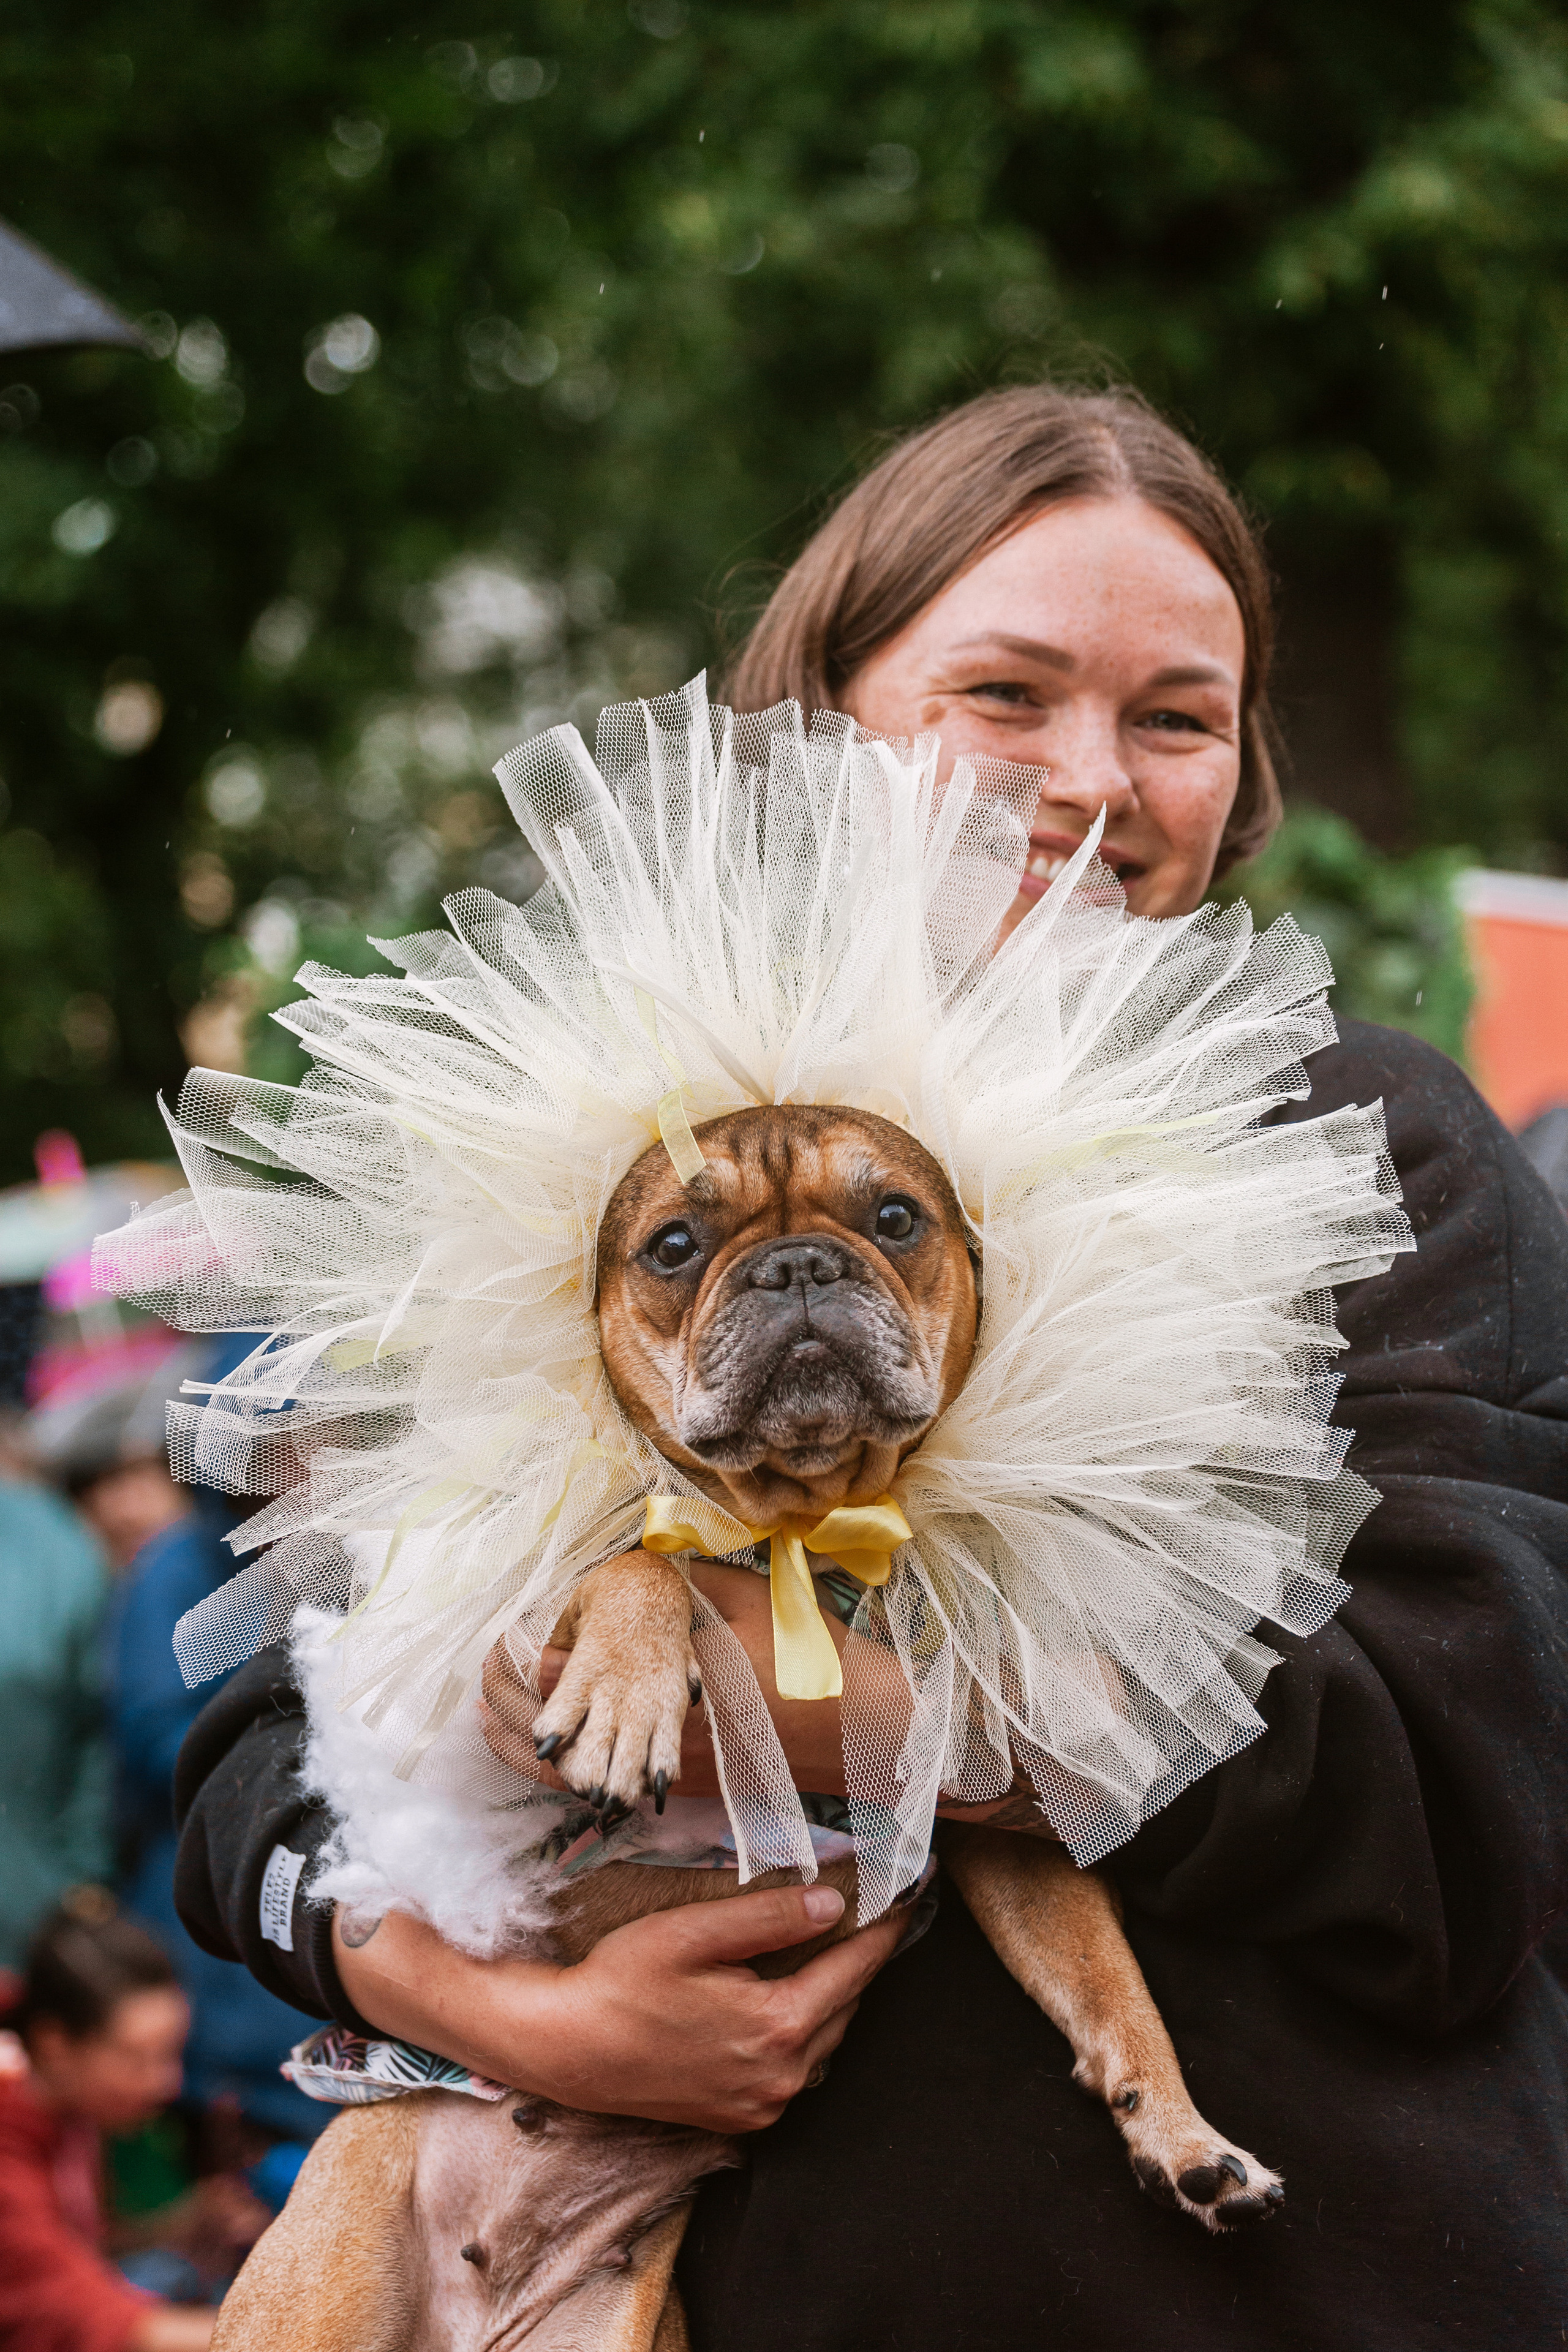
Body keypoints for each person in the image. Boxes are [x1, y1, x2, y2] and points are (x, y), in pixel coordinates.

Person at [170, 384, 1568, 2348]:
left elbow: (1477, 1792)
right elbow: (257, 1747)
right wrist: (483, 2000)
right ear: (820, 711)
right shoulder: (608, 1118)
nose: (1090, 775)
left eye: (1174, 714)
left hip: (1272, 2277)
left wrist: (831, 1711)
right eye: (1006, 691)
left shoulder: (1363, 1144)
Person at [0, 1897, 264, 2351]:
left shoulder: (65, 2108)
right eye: (139, 2059)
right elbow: (97, 2322)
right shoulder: (10, 2145)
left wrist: (182, 2224)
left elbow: (65, 2255)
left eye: (171, 2054)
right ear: (56, 2042)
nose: (169, 2083)